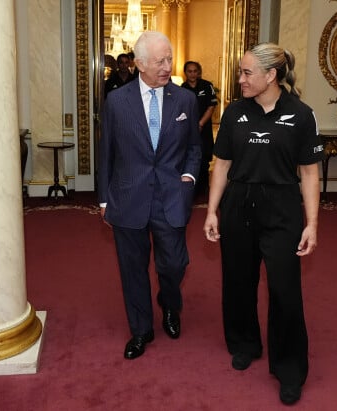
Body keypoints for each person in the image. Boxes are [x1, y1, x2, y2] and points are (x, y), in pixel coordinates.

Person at [203, 42, 323, 405]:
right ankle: (245, 343)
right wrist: (211, 210)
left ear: (272, 75)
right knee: (239, 281)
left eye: (246, 72)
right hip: (238, 204)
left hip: (282, 209)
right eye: (241, 72)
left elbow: (309, 173)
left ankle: (289, 369)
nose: (240, 79)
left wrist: (312, 223)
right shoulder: (235, 112)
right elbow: (221, 164)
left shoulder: (301, 115)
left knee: (285, 290)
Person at [98, 31, 201, 360]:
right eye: (160, 61)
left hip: (171, 196)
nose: (167, 66)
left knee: (174, 264)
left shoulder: (185, 99)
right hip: (129, 197)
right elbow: (107, 154)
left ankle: (170, 305)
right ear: (139, 63)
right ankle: (141, 330)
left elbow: (195, 149)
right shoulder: (116, 101)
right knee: (132, 268)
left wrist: (188, 177)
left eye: (169, 58)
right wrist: (103, 200)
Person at [181, 61, 218, 200]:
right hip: (188, 131)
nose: (192, 74)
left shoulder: (207, 86)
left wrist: (201, 123)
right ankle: (192, 189)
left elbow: (211, 106)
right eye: (189, 71)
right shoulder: (182, 88)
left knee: (204, 159)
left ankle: (204, 189)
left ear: (199, 72)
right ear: (186, 73)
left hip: (204, 130)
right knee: (190, 158)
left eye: (195, 71)